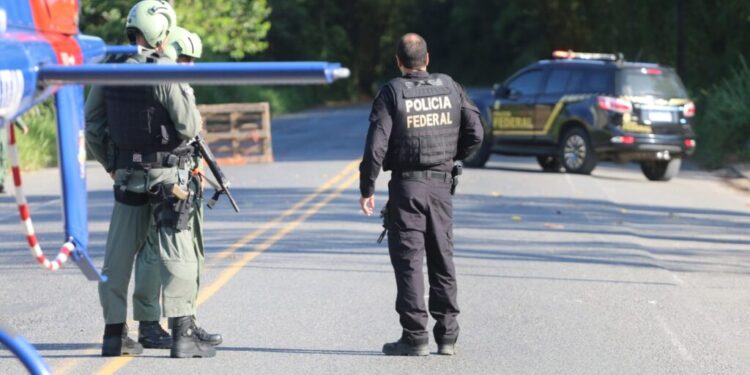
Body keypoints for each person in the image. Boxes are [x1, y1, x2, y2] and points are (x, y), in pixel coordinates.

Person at [85, 0, 215, 358]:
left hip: (127, 177)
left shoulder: (108, 68)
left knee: (118, 257)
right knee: (178, 253)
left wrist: (111, 163)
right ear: (162, 32)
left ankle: (114, 335)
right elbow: (189, 126)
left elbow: (93, 126)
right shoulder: (163, 69)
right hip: (167, 177)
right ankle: (183, 336)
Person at [358, 33, 483, 356]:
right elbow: (476, 133)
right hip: (441, 187)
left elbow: (375, 148)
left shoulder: (392, 93)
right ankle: (447, 337)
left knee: (409, 261)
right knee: (442, 257)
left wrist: (367, 188)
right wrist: (451, 157)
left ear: (399, 62)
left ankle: (414, 337)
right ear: (427, 59)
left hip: (406, 187)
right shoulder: (451, 86)